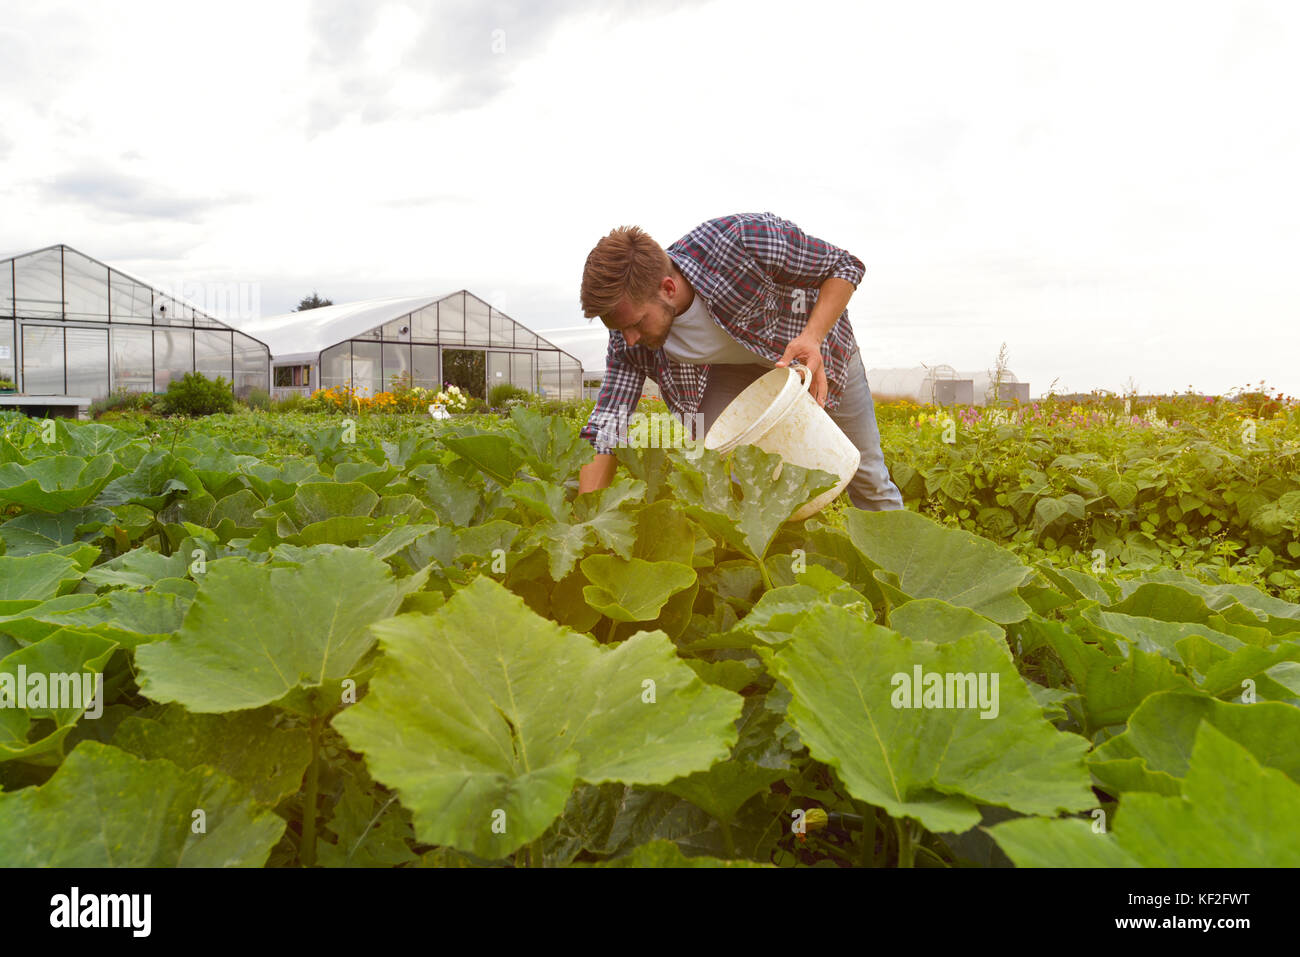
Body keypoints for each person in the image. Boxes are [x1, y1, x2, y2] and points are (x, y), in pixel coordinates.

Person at [576, 211, 904, 511]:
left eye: (636, 323)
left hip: (818, 357)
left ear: (668, 287)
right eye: (619, 328)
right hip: (736, 375)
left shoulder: (741, 242)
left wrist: (813, 336)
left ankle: (896, 567)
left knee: (867, 474)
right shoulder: (626, 337)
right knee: (736, 476)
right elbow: (608, 425)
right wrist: (589, 520)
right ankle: (781, 558)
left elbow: (844, 266)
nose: (629, 339)